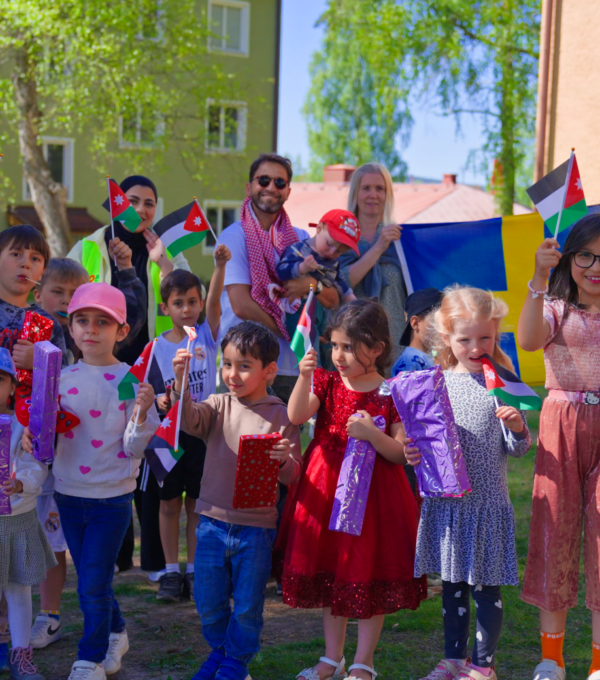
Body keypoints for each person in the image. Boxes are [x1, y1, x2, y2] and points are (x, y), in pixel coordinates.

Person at [276, 300, 426, 680]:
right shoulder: (326, 382)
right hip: (327, 493)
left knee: (368, 573)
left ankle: (363, 661)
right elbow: (296, 415)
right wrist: (304, 377)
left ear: (376, 348)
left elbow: (399, 453)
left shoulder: (391, 392)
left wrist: (372, 435)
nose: (338, 356)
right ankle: (332, 658)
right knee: (333, 571)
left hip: (374, 498)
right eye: (335, 346)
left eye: (348, 347)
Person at [23, 282, 160, 680]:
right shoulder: (59, 378)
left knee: (92, 585)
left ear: (122, 330)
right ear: (70, 328)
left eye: (103, 322)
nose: (91, 329)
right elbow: (44, 437)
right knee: (91, 580)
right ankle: (116, 632)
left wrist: (142, 413)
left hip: (112, 500)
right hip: (68, 497)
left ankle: (91, 658)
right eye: (82, 320)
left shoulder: (130, 381)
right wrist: (32, 435)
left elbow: (136, 447)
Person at [67, 175, 189, 574]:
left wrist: (163, 261)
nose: (140, 209)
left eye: (149, 203)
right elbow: (68, 295)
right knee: (108, 451)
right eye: (132, 200)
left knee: (148, 458)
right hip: (101, 367)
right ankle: (117, 557)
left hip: (152, 366)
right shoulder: (89, 246)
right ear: (117, 202)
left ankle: (153, 561)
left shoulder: (165, 247)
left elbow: (185, 297)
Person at [409, 286, 531, 680]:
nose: (476, 347)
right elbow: (425, 441)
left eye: (485, 338)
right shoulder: (435, 383)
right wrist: (414, 452)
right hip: (449, 505)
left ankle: (482, 666)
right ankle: (453, 659)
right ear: (446, 338)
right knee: (452, 586)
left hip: (486, 505)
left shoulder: (501, 384)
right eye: (465, 340)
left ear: (496, 335)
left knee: (485, 588)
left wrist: (517, 426)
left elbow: (519, 449)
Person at [171, 321, 302, 680]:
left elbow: (294, 475)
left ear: (269, 370)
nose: (232, 374)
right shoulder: (217, 404)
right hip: (210, 525)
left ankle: (236, 661)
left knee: (246, 605)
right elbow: (188, 421)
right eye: (227, 364)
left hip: (256, 530)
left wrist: (283, 460)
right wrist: (181, 383)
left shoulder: (283, 416)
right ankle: (221, 652)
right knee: (207, 601)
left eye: (244, 366)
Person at [517, 215, 600, 680]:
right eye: (586, 255)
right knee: (555, 536)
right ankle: (552, 658)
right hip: (560, 427)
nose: (595, 267)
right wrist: (538, 277)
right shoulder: (553, 306)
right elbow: (528, 340)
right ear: (569, 258)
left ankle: (599, 663)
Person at [217, 153, 340, 405]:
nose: (271, 187)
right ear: (249, 187)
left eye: (280, 182)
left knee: (292, 431)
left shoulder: (302, 238)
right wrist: (290, 333)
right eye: (263, 180)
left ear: (288, 191)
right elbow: (241, 305)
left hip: (293, 367)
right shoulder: (233, 236)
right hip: (244, 364)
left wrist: (311, 285)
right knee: (237, 430)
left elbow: (332, 298)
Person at [151, 244, 231, 603]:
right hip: (168, 435)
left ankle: (196, 570)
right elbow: (149, 389)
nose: (186, 309)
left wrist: (219, 266)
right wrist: (160, 400)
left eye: (192, 302)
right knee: (168, 504)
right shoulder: (156, 347)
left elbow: (216, 303)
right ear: (164, 308)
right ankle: (171, 572)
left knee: (196, 505)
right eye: (178, 303)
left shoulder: (207, 337)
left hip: (203, 433)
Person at [0, 348, 56, 680]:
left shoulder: (24, 425)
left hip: (17, 521)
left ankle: (21, 655)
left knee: (18, 589)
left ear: (12, 386)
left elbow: (37, 465)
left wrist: (20, 483)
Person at [339, 163, 407, 369]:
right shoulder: (339, 238)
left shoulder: (400, 240)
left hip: (394, 346)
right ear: (355, 193)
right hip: (350, 345)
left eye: (380, 189)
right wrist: (378, 247)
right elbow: (341, 283)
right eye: (366, 188)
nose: (373, 195)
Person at [0, 225, 67, 366]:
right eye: (16, 254)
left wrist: (40, 361)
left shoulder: (49, 324)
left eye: (35, 258)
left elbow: (64, 373)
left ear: (42, 272)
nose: (26, 264)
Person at [392, 287, 442, 377]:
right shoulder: (409, 363)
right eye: (436, 322)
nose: (442, 329)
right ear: (415, 323)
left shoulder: (432, 356)